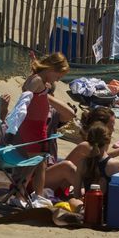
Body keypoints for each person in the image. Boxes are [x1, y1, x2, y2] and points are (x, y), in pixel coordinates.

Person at [15, 53, 72, 195]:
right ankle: (20, 194)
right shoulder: (38, 80)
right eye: (58, 77)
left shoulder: (40, 79)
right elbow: (27, 91)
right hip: (34, 127)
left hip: (36, 127)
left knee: (41, 164)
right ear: (52, 69)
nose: (57, 80)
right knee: (35, 163)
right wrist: (27, 100)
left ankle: (36, 196)